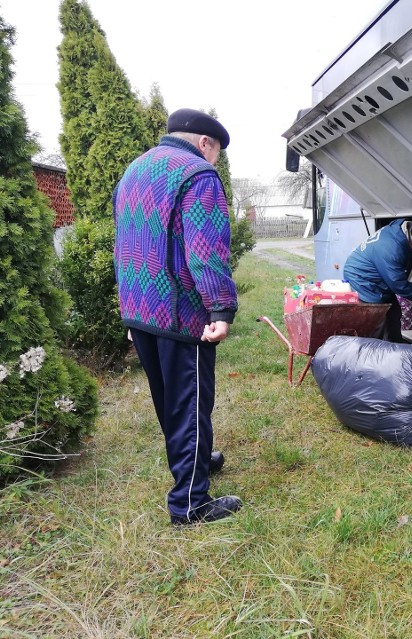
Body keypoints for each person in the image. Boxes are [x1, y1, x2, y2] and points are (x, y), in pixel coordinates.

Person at [113, 108, 241, 526]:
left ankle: (196, 461)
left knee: (168, 402)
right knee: (189, 405)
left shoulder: (134, 170)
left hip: (141, 309)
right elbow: (206, 250)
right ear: (204, 142)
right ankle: (189, 504)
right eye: (217, 151)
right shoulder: (198, 174)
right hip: (181, 313)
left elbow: (125, 242)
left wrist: (128, 311)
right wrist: (220, 307)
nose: (215, 160)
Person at [343, 218, 412, 342]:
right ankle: (376, 352)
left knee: (394, 313)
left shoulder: (400, 228)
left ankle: (396, 347)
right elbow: (398, 285)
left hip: (377, 275)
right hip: (363, 280)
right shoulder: (392, 251)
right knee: (378, 322)